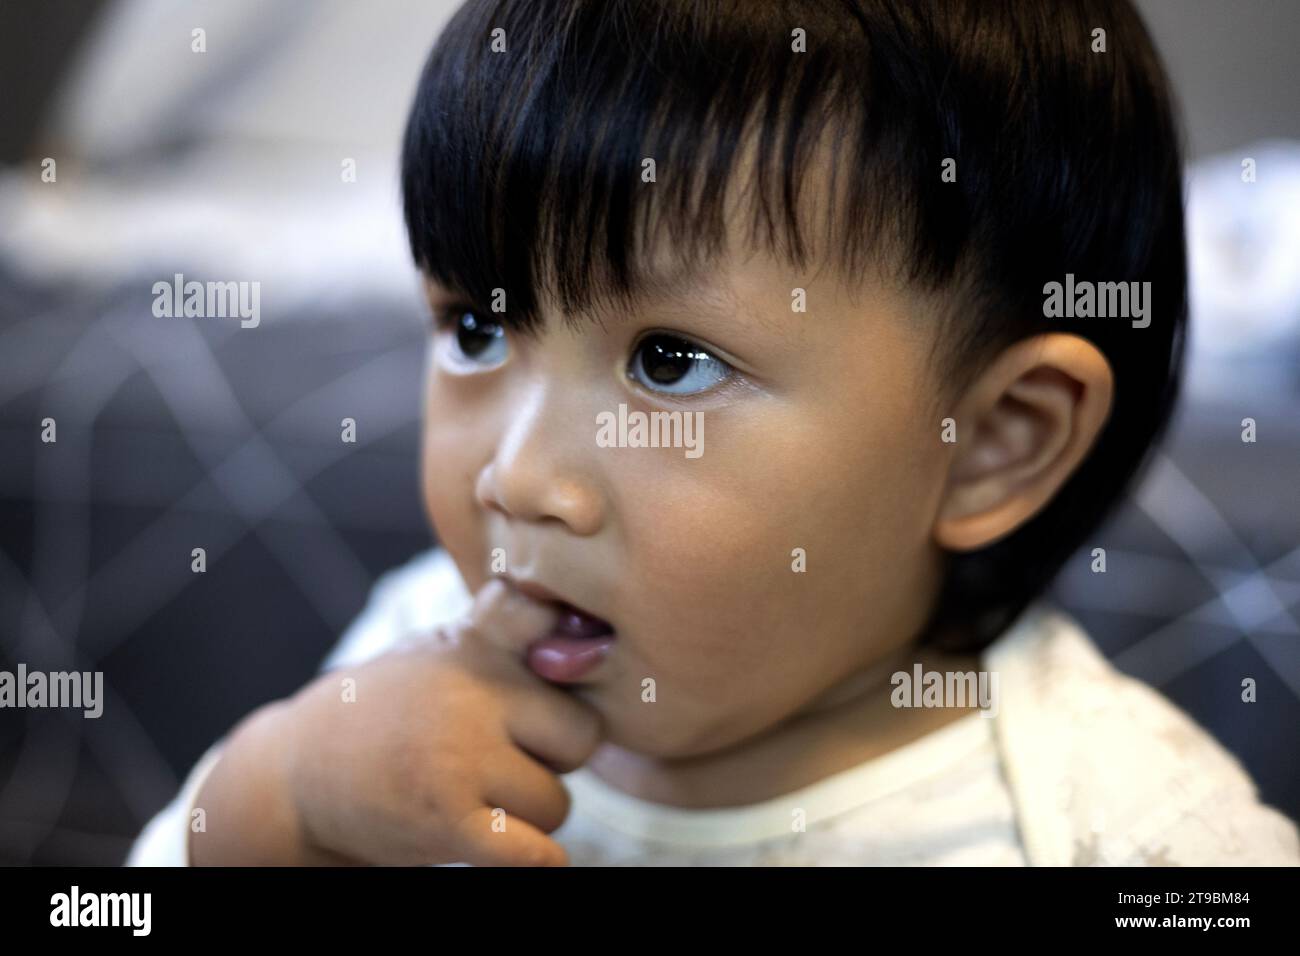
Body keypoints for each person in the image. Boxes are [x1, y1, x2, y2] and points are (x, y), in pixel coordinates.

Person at [128, 0, 1300, 866]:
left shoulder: (1134, 835)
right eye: (478, 325)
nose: (517, 475)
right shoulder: (410, 650)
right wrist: (274, 805)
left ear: (991, 437)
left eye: (669, 362)